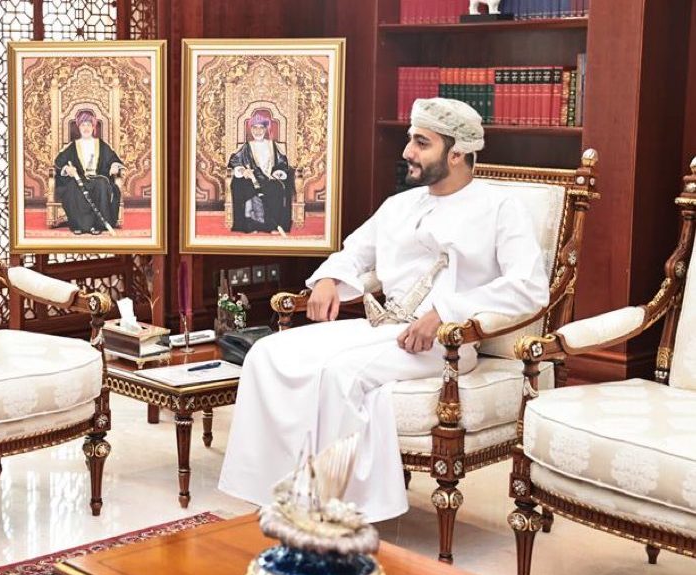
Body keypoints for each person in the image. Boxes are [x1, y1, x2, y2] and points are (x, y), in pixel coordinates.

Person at [218, 98, 549, 522]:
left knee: (339, 374)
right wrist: (327, 279)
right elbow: (356, 252)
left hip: (447, 344)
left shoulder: (501, 208)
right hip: (384, 327)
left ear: (457, 153)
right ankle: (273, 493)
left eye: (422, 143)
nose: (408, 152)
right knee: (267, 353)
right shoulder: (401, 205)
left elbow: (528, 288)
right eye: (410, 140)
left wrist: (447, 311)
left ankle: (336, 509)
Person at [53, 109, 124, 235]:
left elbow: (113, 159)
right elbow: (59, 161)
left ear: (93, 127)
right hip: (79, 179)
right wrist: (67, 169)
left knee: (102, 185)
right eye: (83, 125)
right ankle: (79, 225)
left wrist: (114, 166)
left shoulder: (101, 144)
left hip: (98, 178)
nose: (86, 128)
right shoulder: (73, 145)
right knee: (72, 187)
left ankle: (97, 225)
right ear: (79, 127)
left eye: (89, 125)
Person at [227, 111, 295, 233]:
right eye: (255, 128)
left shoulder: (273, 145)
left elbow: (282, 162)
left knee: (277, 188)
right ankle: (252, 226)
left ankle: (273, 226)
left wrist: (278, 172)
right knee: (244, 187)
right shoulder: (247, 146)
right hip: (252, 179)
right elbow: (234, 161)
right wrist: (243, 171)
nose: (258, 131)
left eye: (261, 128)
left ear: (265, 129)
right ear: (251, 129)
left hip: (269, 179)